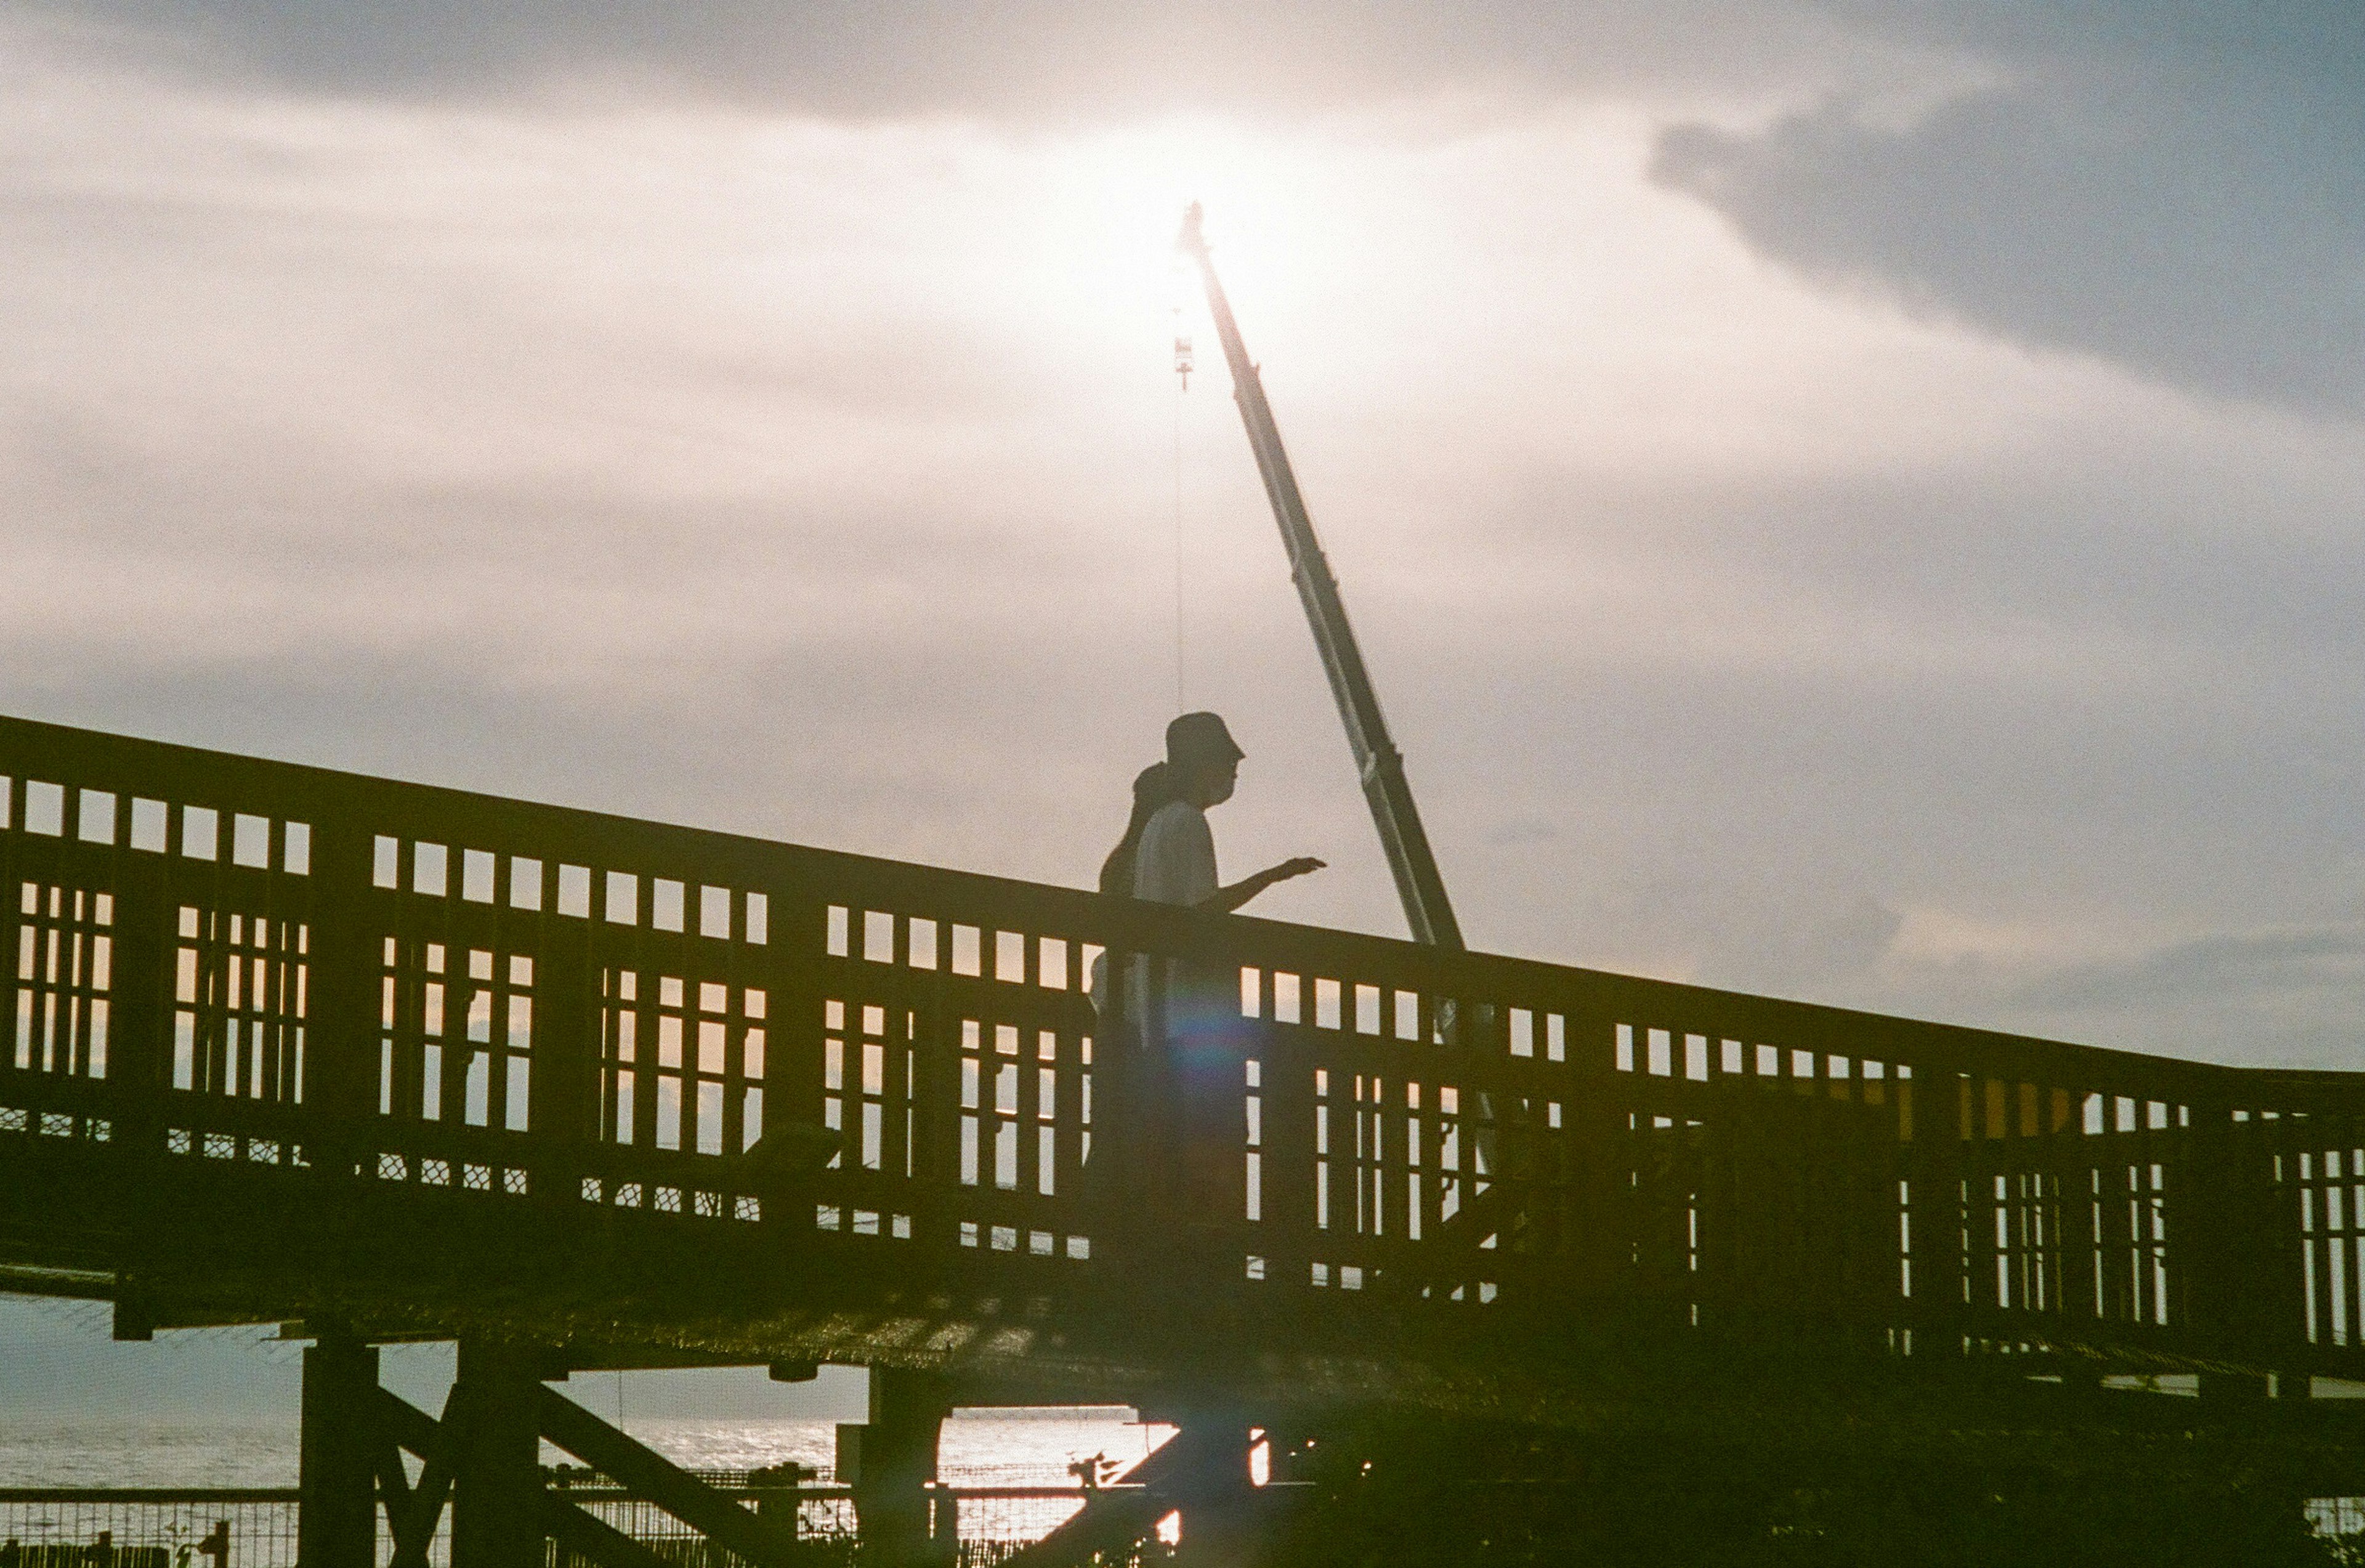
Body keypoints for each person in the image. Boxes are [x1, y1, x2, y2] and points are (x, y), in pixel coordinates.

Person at [1094, 712, 1322, 1254]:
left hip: (1157, 1013)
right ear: (1206, 765)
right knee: (1202, 1144)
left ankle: (1154, 1252)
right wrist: (1272, 877)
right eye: (1228, 763)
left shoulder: (1154, 827)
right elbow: (1201, 911)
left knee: (1157, 1143)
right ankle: (1199, 1260)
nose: (1234, 775)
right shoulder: (1188, 824)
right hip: (1186, 1015)